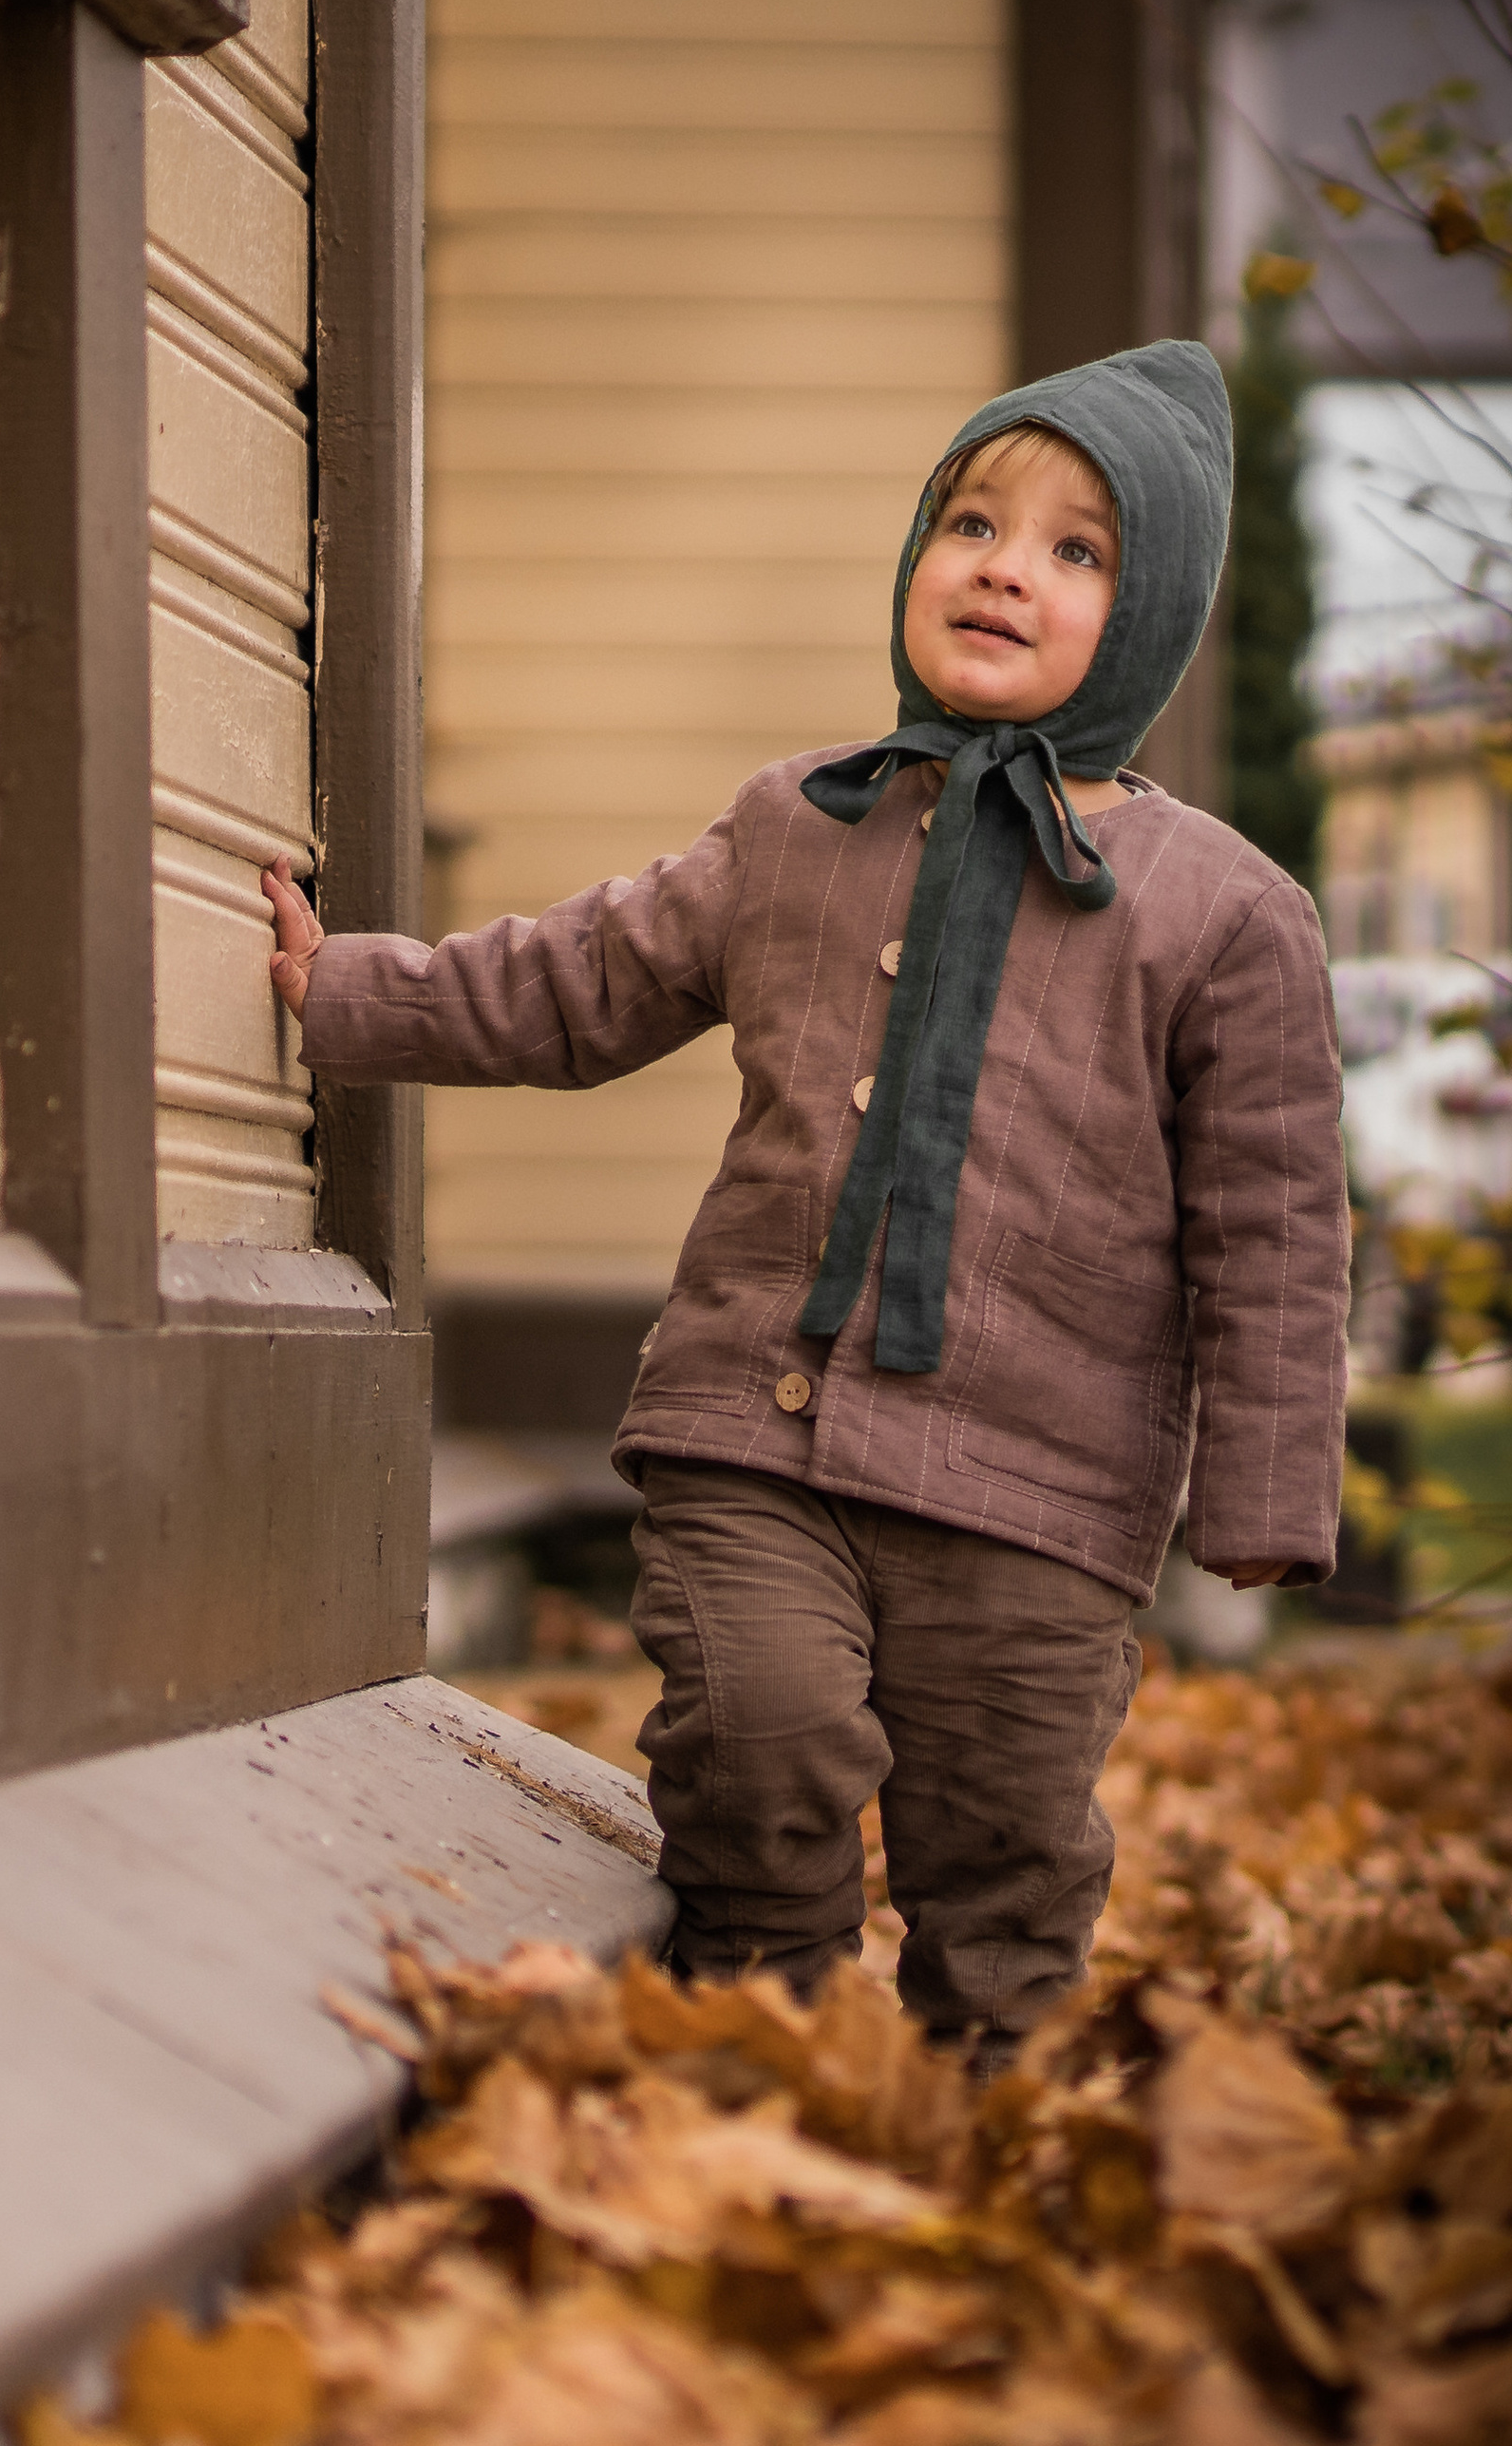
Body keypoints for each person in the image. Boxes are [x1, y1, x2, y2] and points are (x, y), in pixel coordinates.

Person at [261, 341, 1350, 2070]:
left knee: (1002, 1860)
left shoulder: (1225, 915)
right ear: (915, 551)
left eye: (1081, 551)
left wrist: (1269, 1484)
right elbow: (573, 983)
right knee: (753, 1747)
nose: (1007, 564)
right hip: (754, 1442)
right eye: (973, 519)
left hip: (1038, 1509)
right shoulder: (801, 824)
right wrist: (347, 996)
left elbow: (1275, 1228)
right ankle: (758, 2074)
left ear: (1150, 625)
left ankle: (983, 2141)